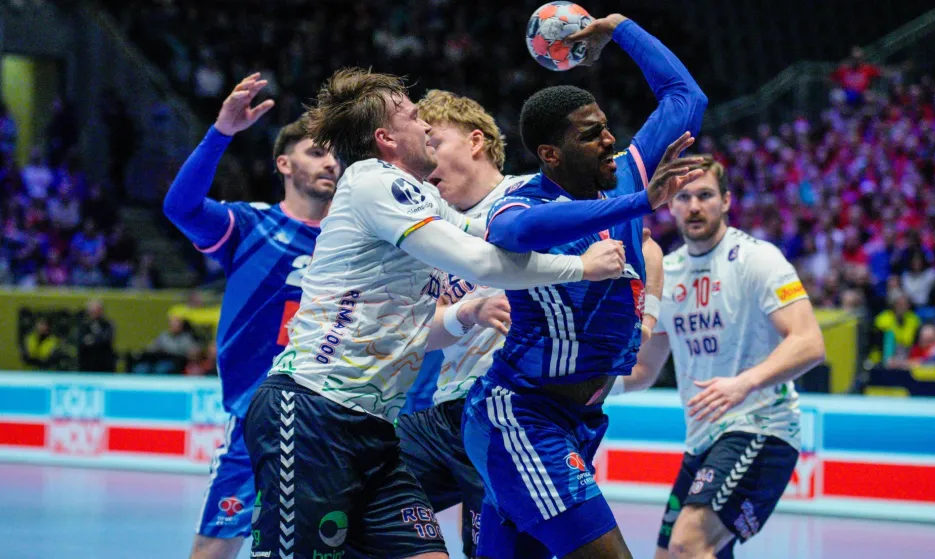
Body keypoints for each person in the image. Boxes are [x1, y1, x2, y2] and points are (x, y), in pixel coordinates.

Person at [243, 66, 634, 559]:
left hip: (376, 428)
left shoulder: (423, 196)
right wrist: (581, 266)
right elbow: (477, 259)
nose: (426, 126)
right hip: (311, 411)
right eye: (412, 117)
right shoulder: (373, 182)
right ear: (385, 138)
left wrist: (598, 201)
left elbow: (488, 241)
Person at [462, 13, 708, 559]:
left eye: (605, 126)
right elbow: (515, 232)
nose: (609, 140)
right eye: (590, 133)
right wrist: (641, 203)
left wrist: (621, 29)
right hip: (523, 417)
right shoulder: (523, 202)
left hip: (578, 422)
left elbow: (685, 97)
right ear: (551, 154)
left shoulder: (624, 175)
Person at [163, 73, 342, 559]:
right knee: (213, 551)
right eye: (316, 152)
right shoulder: (251, 226)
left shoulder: (356, 243)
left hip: (336, 423)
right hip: (256, 424)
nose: (330, 162)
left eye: (336, 154)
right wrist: (221, 132)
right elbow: (180, 207)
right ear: (284, 163)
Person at [625, 156, 826, 559]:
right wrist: (582, 386)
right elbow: (645, 369)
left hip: (760, 426)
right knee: (671, 555)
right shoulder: (669, 271)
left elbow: (809, 342)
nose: (694, 206)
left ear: (727, 201)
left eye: (705, 195)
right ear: (671, 205)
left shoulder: (758, 259)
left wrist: (744, 383)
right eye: (684, 197)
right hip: (701, 440)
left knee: (688, 544)